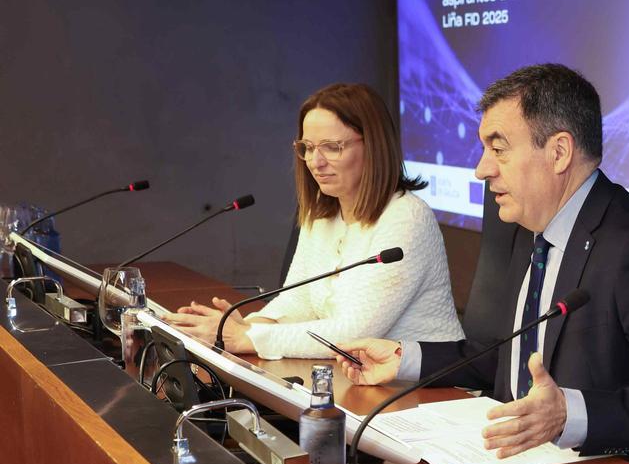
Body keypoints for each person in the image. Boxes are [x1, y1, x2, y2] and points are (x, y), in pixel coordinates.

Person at [336, 64, 629, 464]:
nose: (481, 168)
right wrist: (405, 359)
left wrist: (569, 414)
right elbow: (508, 360)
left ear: (559, 152)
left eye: (498, 148)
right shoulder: (532, 231)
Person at [165, 83, 463, 358]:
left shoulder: (407, 217)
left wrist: (249, 338)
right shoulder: (323, 214)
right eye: (307, 147)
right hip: (361, 380)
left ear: (373, 145)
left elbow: (355, 333)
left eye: (332, 147)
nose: (315, 162)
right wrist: (242, 326)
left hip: (430, 393)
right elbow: (298, 300)